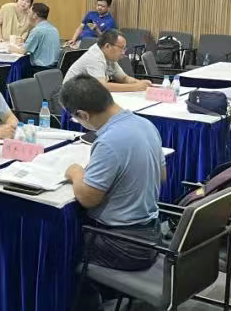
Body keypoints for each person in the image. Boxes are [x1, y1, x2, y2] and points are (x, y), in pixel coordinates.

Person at [61, 76, 165, 272]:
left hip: (122, 244)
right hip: (152, 235)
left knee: (55, 244)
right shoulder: (145, 124)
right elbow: (162, 175)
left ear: (83, 115)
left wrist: (76, 173)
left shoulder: (108, 141)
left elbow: (88, 199)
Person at [63, 30, 150, 92]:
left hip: (87, 94)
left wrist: (142, 84)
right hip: (72, 97)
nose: (123, 53)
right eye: (121, 48)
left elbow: (124, 78)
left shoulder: (109, 56)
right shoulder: (95, 57)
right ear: (107, 46)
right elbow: (102, 86)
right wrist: (136, 87)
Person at [21, 2, 62, 73]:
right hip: (54, 70)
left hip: (39, 70)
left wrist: (11, 48)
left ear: (35, 15)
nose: (28, 14)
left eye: (29, 12)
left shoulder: (37, 30)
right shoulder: (54, 29)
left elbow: (24, 51)